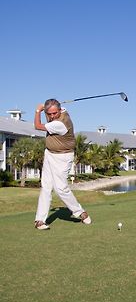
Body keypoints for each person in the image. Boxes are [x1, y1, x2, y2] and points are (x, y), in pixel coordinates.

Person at [33, 98, 91, 230]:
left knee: (61, 188)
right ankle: (40, 221)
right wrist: (47, 109)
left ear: (60, 110)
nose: (52, 116)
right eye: (49, 114)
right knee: (46, 186)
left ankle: (81, 213)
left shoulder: (61, 123)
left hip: (63, 157)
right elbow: (54, 111)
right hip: (49, 154)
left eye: (55, 113)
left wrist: (38, 110)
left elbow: (37, 126)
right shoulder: (61, 111)